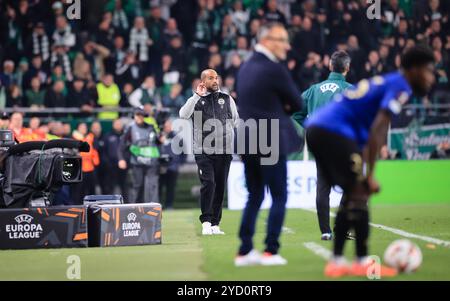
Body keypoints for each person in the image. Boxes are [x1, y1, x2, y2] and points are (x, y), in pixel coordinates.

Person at [305, 46, 435, 278]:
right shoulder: (400, 85)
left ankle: (337, 261)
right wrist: (370, 175)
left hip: (319, 129)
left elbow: (368, 131)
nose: (431, 77)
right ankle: (361, 261)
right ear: (414, 70)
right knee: (359, 193)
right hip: (333, 131)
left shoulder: (389, 81)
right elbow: (378, 129)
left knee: (353, 195)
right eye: (428, 71)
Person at [234, 23, 302, 266]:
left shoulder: (244, 68)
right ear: (267, 40)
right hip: (270, 136)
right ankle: (271, 251)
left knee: (254, 196)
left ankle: (244, 251)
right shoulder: (274, 69)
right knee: (279, 195)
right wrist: (280, 108)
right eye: (282, 39)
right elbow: (297, 103)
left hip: (247, 138)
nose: (287, 45)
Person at [293, 50, 354, 241]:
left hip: (319, 143)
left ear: (330, 66)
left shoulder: (313, 90)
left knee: (323, 186)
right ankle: (342, 229)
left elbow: (296, 113)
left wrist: (310, 128)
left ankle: (326, 231)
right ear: (347, 68)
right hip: (341, 143)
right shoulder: (351, 89)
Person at [179, 69, 239, 235]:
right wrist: (196, 96)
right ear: (203, 81)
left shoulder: (227, 99)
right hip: (203, 150)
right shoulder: (196, 100)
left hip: (225, 151)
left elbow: (235, 121)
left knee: (220, 187)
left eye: (216, 78)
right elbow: (183, 115)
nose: (215, 80)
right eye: (211, 78)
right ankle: (206, 222)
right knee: (209, 184)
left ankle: (215, 224)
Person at [118, 107, 162, 203]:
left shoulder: (150, 127)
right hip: (137, 161)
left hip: (151, 162)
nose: (139, 117)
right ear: (134, 116)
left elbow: (158, 142)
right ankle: (134, 208)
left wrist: (161, 138)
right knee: (138, 185)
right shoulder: (130, 128)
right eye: (137, 115)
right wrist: (121, 159)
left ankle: (153, 207)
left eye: (140, 115)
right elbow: (122, 144)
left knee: (152, 185)